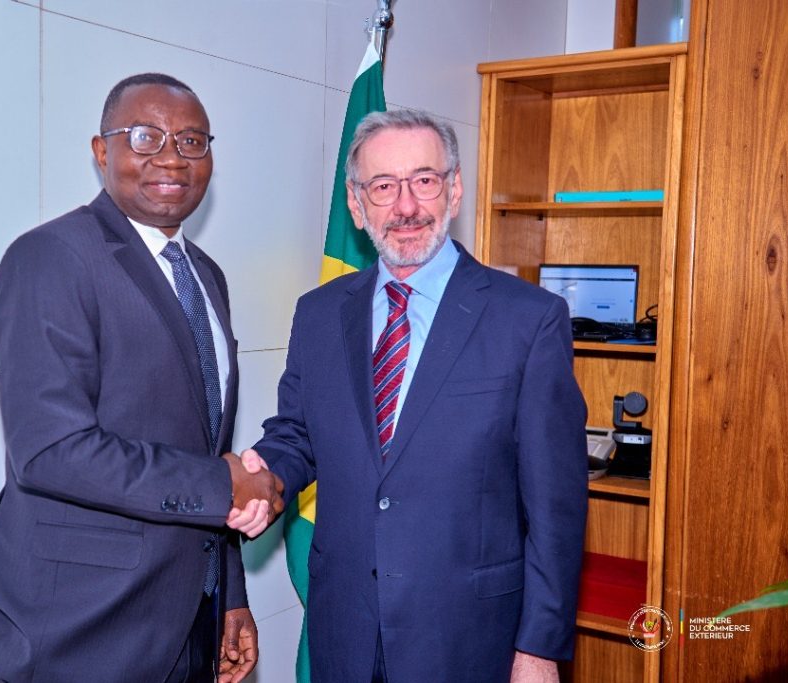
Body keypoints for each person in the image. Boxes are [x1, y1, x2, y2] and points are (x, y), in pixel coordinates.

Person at [228, 109, 588, 682]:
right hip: (344, 627)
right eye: (382, 186)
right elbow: (297, 435)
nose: (405, 206)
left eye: (423, 180)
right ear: (356, 205)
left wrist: (539, 648)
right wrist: (263, 477)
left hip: (469, 636)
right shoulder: (319, 313)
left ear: (454, 189)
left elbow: (556, 503)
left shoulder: (528, 318)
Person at [0, 73, 283, 683]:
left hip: (188, 618)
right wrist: (223, 486)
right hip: (81, 628)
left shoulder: (206, 275)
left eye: (191, 141)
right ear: (101, 151)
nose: (171, 158)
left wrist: (228, 593)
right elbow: (50, 451)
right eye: (145, 136)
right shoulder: (51, 256)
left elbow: (205, 446)